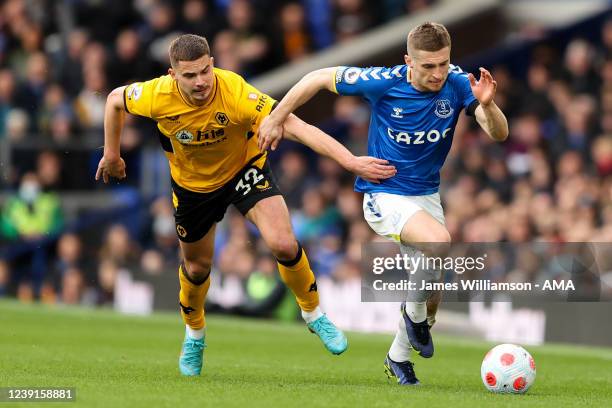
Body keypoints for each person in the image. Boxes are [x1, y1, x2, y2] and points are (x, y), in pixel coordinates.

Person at [95, 34, 396, 376]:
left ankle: (313, 314)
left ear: (212, 64)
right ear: (172, 75)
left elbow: (296, 126)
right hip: (193, 189)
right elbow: (114, 100)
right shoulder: (155, 95)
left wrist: (350, 161)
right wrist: (112, 153)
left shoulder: (235, 93)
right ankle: (195, 334)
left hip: (244, 171)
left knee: (284, 243)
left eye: (205, 71)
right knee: (196, 269)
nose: (201, 82)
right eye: (190, 75)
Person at [259, 22, 508, 385]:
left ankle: (398, 358)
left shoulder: (457, 82)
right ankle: (413, 317)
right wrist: (275, 118)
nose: (437, 73)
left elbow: (499, 134)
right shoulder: (383, 81)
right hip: (384, 193)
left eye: (443, 63)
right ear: (409, 61)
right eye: (428, 66)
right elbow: (314, 78)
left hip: (426, 197)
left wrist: (488, 105)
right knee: (439, 244)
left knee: (431, 294)